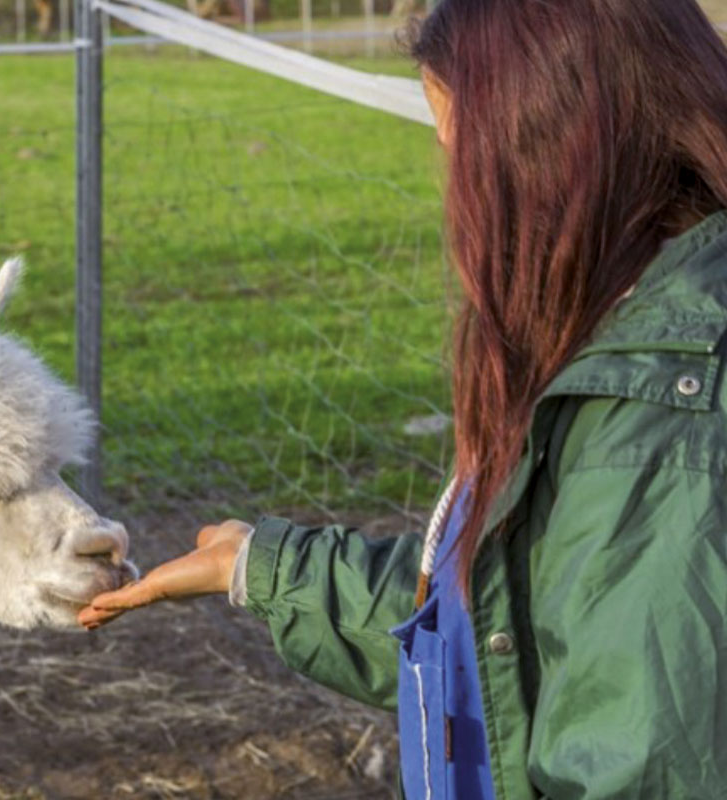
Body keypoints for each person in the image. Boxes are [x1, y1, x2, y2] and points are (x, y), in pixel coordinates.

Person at [78, 1, 727, 797]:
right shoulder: (630, 338)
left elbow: (649, 757)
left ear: (556, 154)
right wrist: (264, 568)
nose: (455, 192)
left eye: (467, 158)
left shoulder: (667, 423)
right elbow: (518, 630)